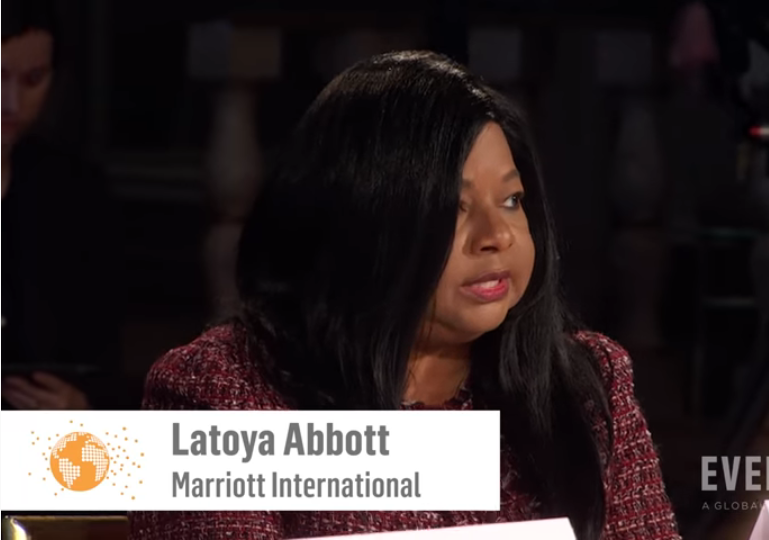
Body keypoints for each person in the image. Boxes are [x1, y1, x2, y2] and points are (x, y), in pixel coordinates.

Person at [129, 51, 681, 540]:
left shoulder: (587, 385)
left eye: (512, 201)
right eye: (454, 208)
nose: (497, 236)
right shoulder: (226, 392)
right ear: (362, 222)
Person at [1, 0, 125, 410]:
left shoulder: (74, 191)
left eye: (33, 79)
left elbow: (101, 350)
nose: (11, 104)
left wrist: (80, 405)